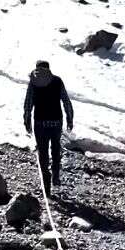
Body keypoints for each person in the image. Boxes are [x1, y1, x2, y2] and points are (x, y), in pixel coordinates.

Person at [23, 60, 74, 194]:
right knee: (56, 147)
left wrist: (27, 120)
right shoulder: (57, 80)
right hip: (56, 121)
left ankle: (46, 184)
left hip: (40, 122)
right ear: (49, 68)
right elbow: (65, 100)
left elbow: (28, 103)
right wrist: (70, 118)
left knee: (42, 151)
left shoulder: (33, 82)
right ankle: (56, 174)